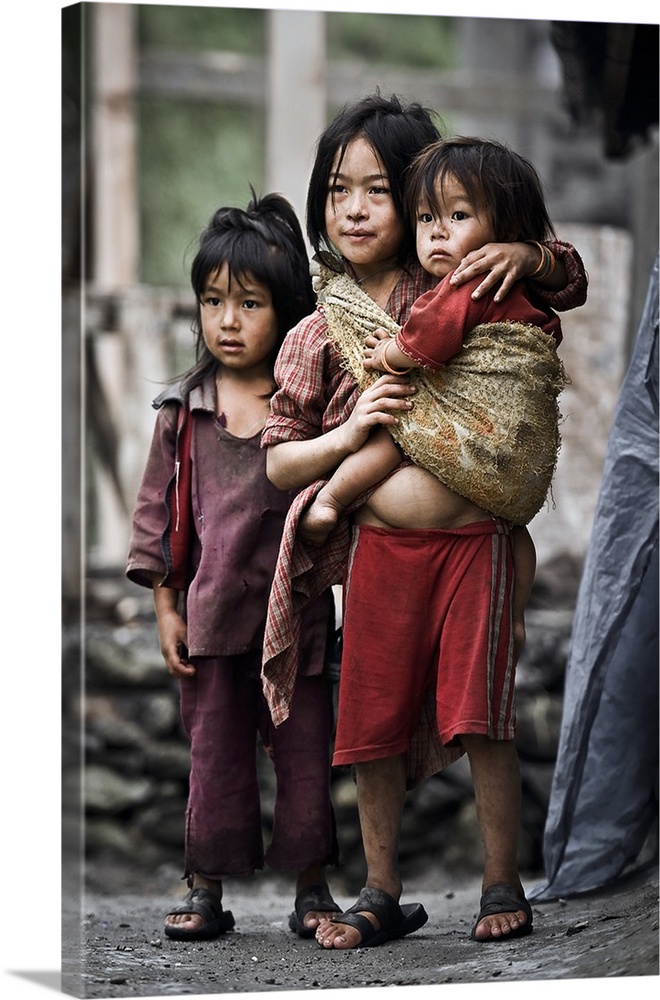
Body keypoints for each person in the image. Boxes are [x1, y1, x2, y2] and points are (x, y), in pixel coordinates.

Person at [260, 93, 588, 949]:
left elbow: (560, 275)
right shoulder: (317, 329)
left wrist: (531, 252)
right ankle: (379, 888)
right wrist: (349, 432)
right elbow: (277, 460)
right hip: (379, 550)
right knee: (368, 718)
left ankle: (499, 879)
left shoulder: (449, 277)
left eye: (379, 190)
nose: (356, 208)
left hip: (475, 540)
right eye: (338, 190)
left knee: (482, 714)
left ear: (424, 204)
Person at [126, 192, 340, 943]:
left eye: (248, 303)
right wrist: (164, 609)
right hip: (213, 619)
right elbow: (154, 515)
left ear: (284, 311)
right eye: (213, 301)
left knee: (307, 755)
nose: (227, 320)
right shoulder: (183, 412)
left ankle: (313, 888)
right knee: (213, 757)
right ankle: (204, 884)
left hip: (298, 622)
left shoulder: (305, 406)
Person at [299, 135, 570, 656]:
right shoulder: (514, 279)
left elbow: (430, 339)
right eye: (426, 219)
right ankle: (513, 616)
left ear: (505, 231)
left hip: (488, 407)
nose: (438, 232)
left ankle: (331, 498)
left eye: (459, 216)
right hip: (498, 466)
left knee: (395, 432)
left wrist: (385, 357)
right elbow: (568, 283)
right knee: (513, 530)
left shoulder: (466, 281)